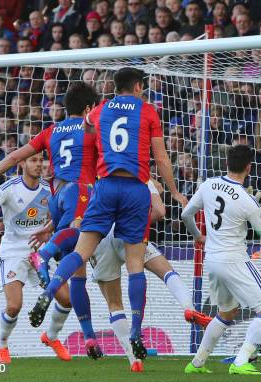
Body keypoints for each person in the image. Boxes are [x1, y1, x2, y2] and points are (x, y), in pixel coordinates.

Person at [29, 67, 186, 362]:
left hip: (101, 187)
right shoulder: (148, 111)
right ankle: (136, 332)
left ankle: (50, 290)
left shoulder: (99, 110)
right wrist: (175, 191)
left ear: (115, 87)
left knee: (81, 252)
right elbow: (162, 158)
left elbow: (87, 126)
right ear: (138, 86)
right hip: (135, 189)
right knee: (136, 263)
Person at [0, 82, 104, 358]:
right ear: (89, 108)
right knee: (78, 234)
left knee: (75, 274)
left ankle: (71, 337)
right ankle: (46, 254)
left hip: (56, 196)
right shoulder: (92, 128)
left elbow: (16, 155)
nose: (37, 163)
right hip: (78, 191)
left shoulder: (51, 131)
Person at [181, 144, 261, 375]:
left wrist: (198, 236)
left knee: (226, 313)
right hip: (235, 260)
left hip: (211, 260)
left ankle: (197, 362)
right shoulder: (247, 200)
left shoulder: (208, 184)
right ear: (249, 168)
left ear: (227, 163)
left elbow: (185, 214)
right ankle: (240, 361)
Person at [89, 178, 212, 372]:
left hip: (100, 237)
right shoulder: (141, 178)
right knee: (166, 271)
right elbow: (160, 211)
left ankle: (134, 361)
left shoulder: (101, 176)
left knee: (114, 303)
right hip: (128, 232)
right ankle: (188, 307)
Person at [0, 153, 72, 364]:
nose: (39, 165)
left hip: (40, 253)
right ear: (22, 164)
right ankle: (2, 345)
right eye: (33, 161)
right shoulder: (10, 187)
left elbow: (64, 214)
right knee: (14, 306)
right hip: (13, 253)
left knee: (67, 299)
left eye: (41, 161)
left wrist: (49, 229)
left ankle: (52, 336)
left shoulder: (49, 189)